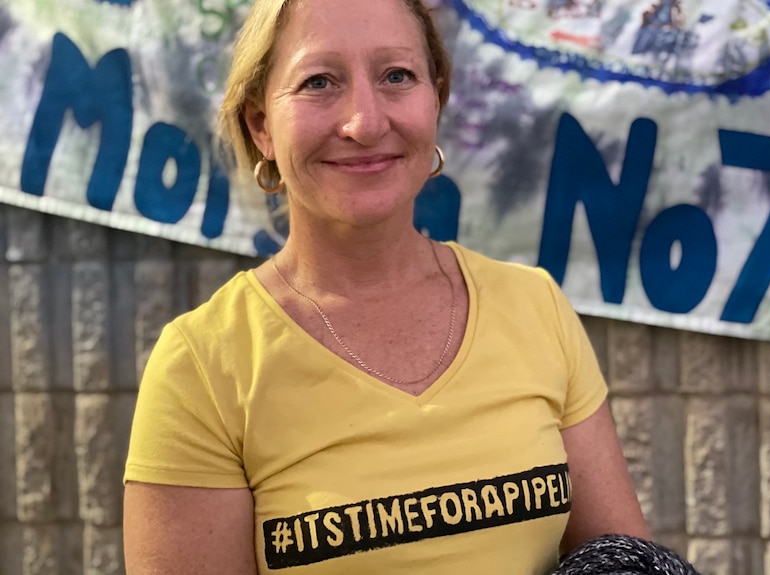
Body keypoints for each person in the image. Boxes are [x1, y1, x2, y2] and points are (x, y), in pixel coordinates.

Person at [122, 0, 650, 573]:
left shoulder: (536, 306)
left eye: (397, 76)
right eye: (319, 82)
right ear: (261, 125)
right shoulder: (203, 365)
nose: (365, 123)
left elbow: (625, 561)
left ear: (436, 99)